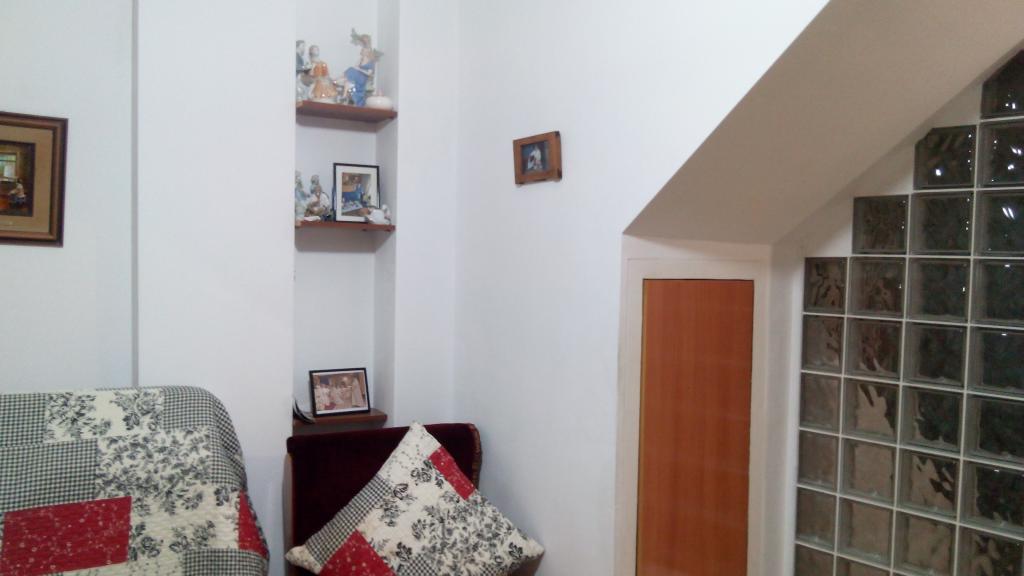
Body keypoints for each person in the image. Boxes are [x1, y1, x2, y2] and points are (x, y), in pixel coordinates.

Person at [340, 29, 382, 106]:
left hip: (363, 77)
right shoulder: (361, 59)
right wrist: (357, 67)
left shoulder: (370, 62)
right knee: (350, 74)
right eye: (363, 50)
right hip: (358, 75)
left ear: (368, 53)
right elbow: (355, 66)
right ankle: (344, 93)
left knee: (351, 71)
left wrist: (359, 69)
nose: (363, 51)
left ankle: (341, 78)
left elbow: (369, 74)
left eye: (365, 51)